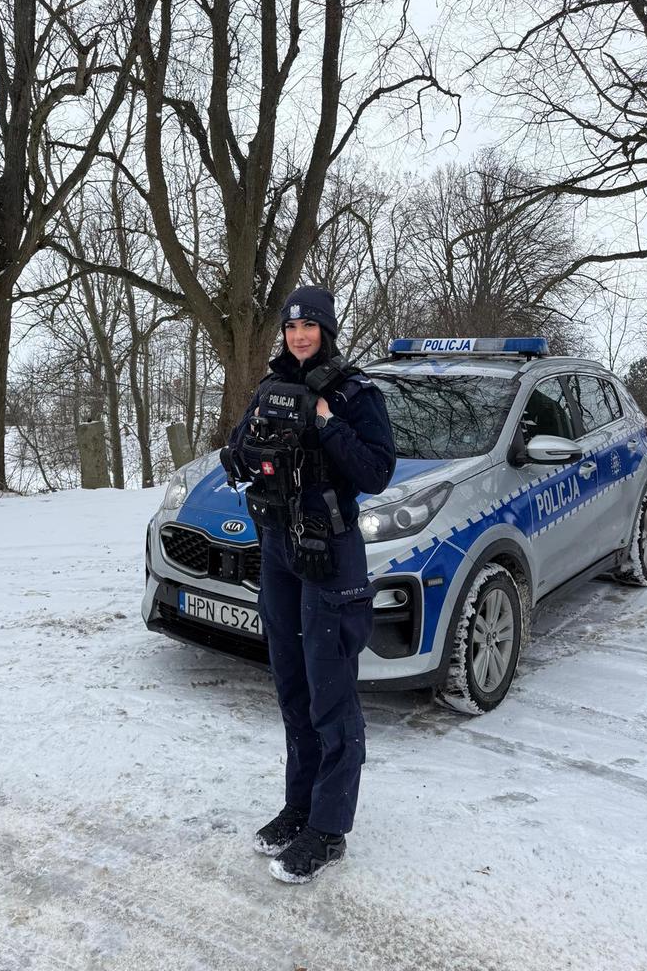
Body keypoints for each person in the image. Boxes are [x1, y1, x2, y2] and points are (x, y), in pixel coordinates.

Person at [223, 286, 396, 884]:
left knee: (330, 691)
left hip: (331, 551)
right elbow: (241, 450)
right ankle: (300, 806)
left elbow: (376, 471)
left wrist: (325, 424)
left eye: (310, 327)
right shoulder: (270, 389)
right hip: (277, 546)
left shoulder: (353, 393)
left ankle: (329, 829)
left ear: (326, 330)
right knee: (292, 686)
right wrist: (242, 451)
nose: (299, 336)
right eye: (291, 328)